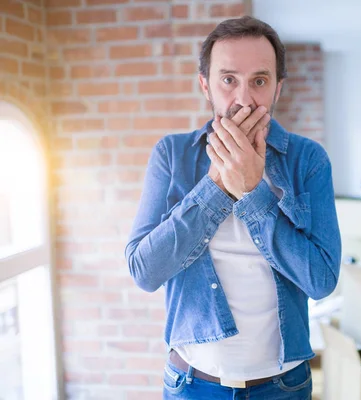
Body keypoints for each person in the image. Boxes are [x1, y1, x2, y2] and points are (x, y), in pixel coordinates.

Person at [124, 15, 342, 399]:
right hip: (193, 383)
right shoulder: (172, 156)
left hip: (284, 385)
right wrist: (218, 186)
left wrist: (253, 190)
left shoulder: (309, 160)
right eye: (228, 80)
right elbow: (144, 270)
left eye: (259, 80)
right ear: (205, 85)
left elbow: (321, 281)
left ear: (277, 89)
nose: (244, 98)